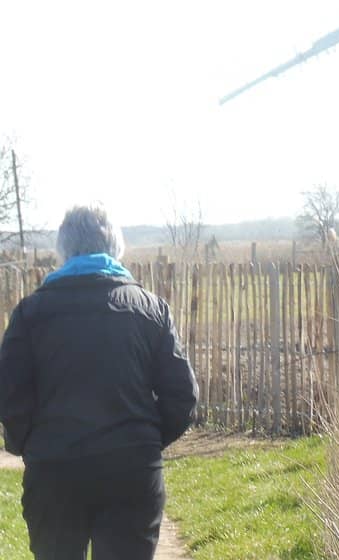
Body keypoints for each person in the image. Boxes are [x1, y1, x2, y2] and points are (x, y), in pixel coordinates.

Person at [0, 205, 198, 560]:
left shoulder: (30, 314)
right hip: (132, 471)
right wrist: (146, 441)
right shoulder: (151, 310)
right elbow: (182, 397)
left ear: (63, 252)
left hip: (54, 471)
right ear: (116, 249)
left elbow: (9, 394)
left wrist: (28, 445)